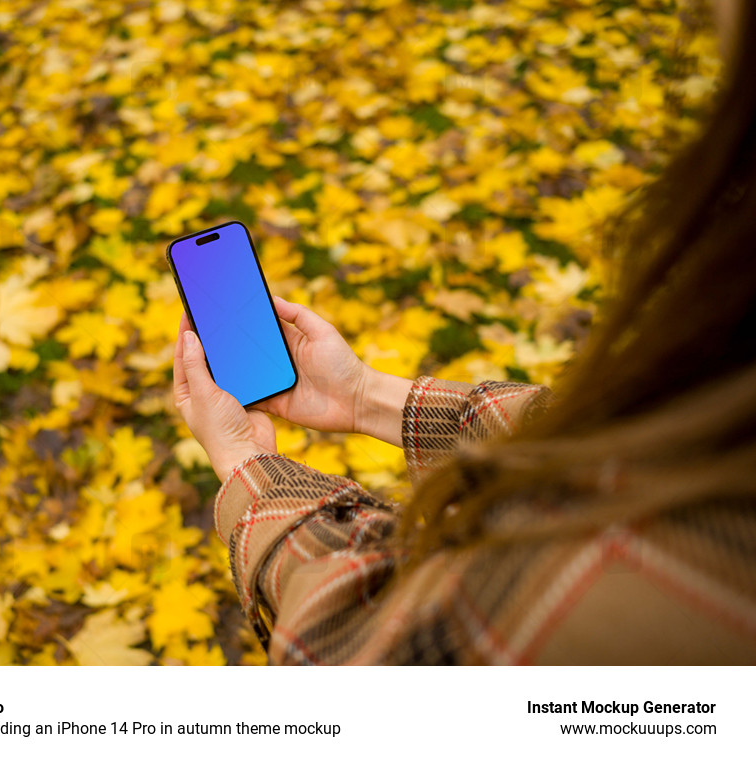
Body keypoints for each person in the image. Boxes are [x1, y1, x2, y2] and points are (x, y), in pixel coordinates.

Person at [172, 0, 756, 664]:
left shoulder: (664, 578)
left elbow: (373, 660)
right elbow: (609, 440)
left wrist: (247, 466)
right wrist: (365, 396)